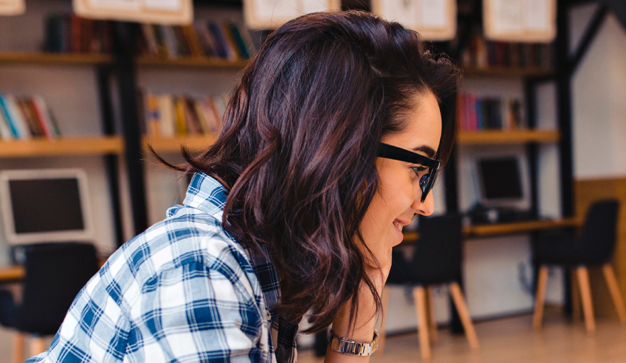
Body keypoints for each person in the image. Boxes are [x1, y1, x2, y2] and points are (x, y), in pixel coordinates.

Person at [27, 10, 458, 363]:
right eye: (418, 170)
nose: (428, 203)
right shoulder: (200, 270)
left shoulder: (260, 263)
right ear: (337, 148)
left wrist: (362, 304)